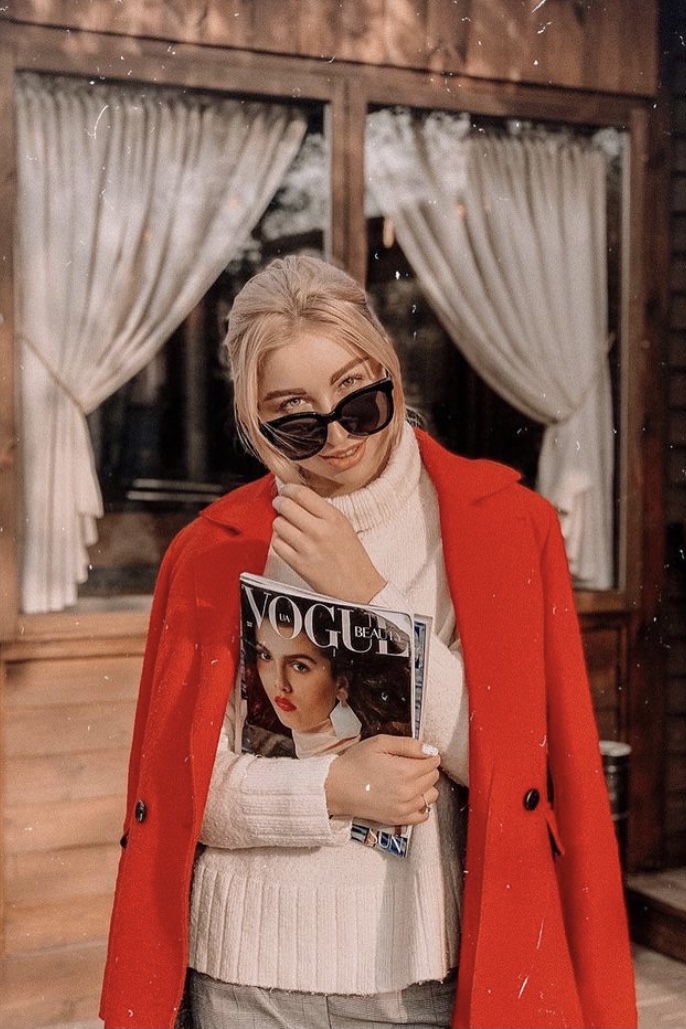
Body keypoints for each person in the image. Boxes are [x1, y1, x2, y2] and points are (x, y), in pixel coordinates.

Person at [100, 254, 637, 1029]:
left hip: (416, 981)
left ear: (389, 369)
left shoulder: (505, 525)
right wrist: (332, 789)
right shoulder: (212, 550)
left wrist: (367, 593)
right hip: (244, 976)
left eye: (358, 397)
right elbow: (185, 794)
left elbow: (512, 771)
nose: (338, 435)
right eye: (295, 417)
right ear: (255, 420)